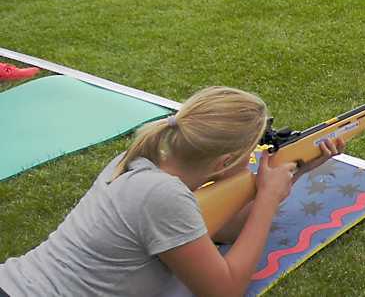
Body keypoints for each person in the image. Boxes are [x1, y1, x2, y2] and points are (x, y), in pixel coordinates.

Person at [0, 86, 344, 297]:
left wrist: (296, 170)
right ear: (225, 162)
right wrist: (266, 200)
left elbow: (224, 230)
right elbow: (225, 291)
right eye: (252, 150)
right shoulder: (163, 196)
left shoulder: (139, 161)